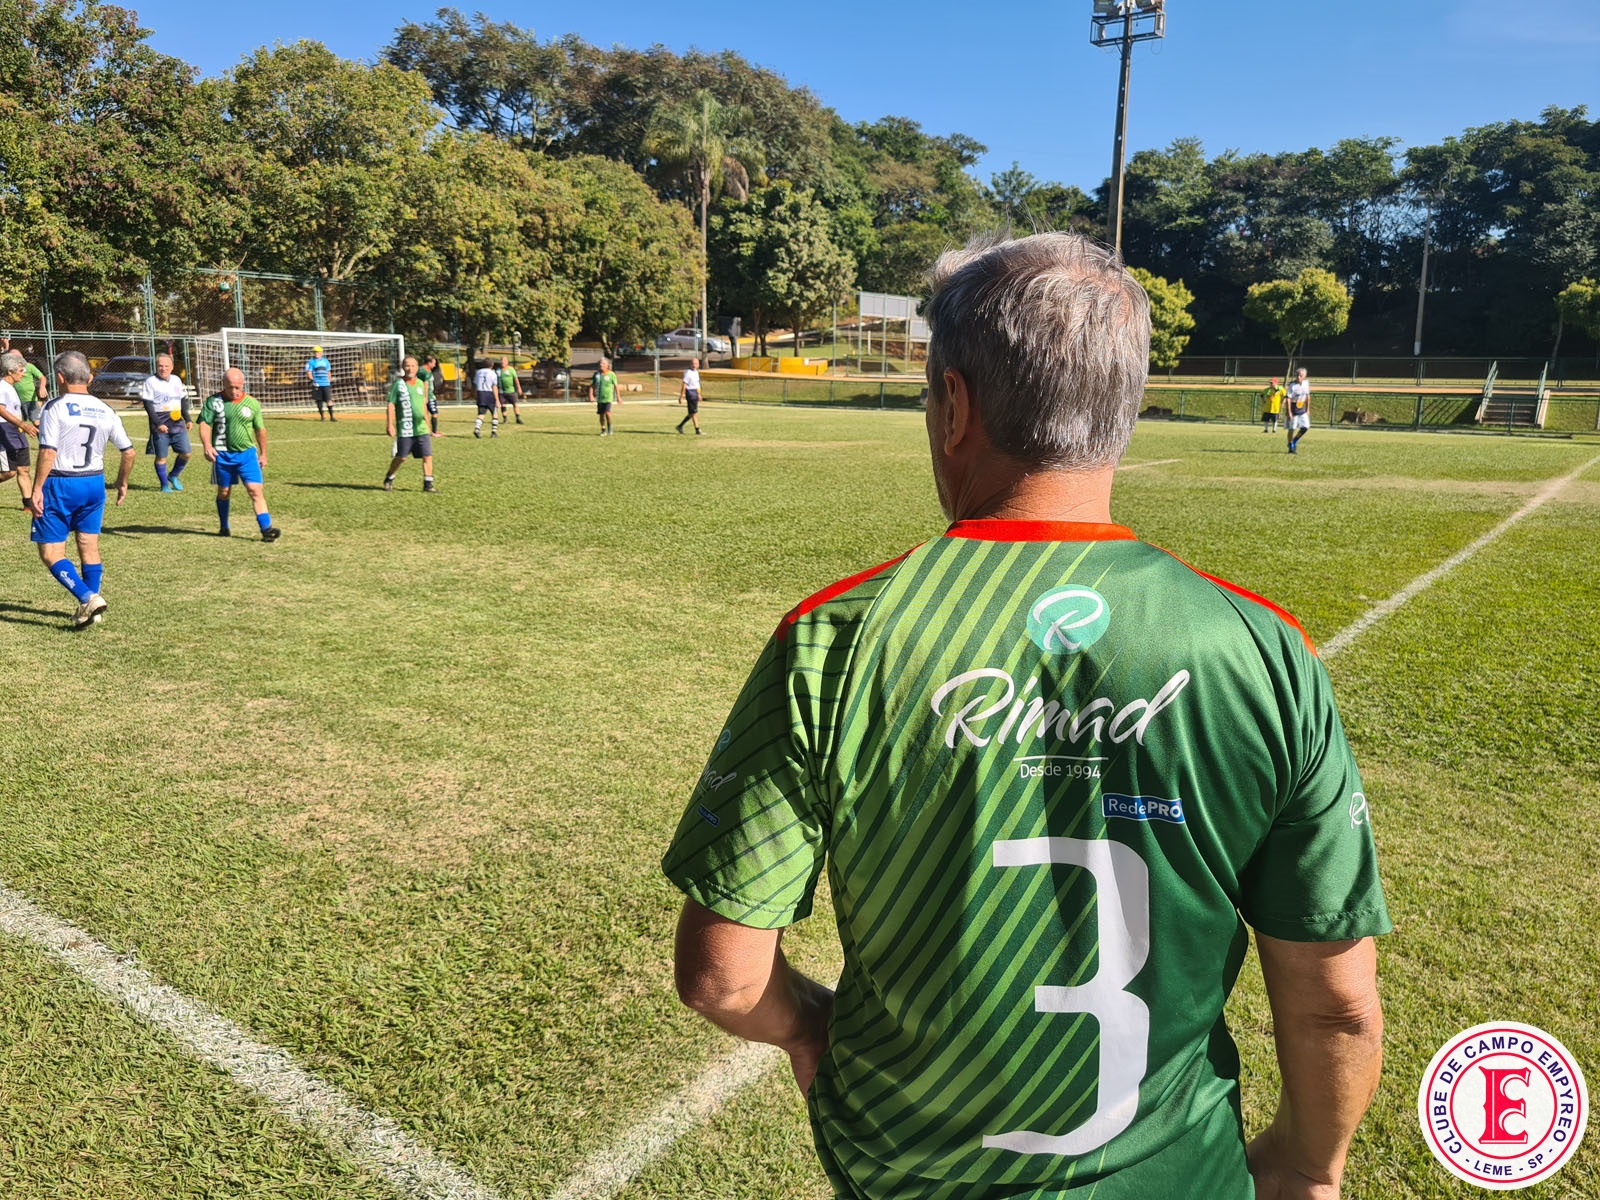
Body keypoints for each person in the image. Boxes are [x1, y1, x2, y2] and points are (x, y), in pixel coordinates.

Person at [663, 232, 1388, 1200]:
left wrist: (807, 1031)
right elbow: (1337, 1004)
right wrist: (1307, 1165)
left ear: (955, 405)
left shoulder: (834, 638)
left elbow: (722, 975)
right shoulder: (1264, 650)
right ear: (1121, 410)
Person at [28, 351, 135, 628]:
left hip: (61, 483)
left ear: (60, 377)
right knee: (88, 545)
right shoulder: (105, 409)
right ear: (89, 377)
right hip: (94, 483)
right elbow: (129, 452)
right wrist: (122, 482)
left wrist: (36, 488)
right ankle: (93, 611)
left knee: (51, 553)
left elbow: (48, 451)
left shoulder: (54, 407)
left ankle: (88, 598)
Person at [198, 367, 281, 541]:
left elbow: (260, 430)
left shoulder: (252, 403)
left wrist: (263, 454)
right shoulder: (213, 402)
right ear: (223, 384)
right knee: (224, 492)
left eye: (237, 387)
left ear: (243, 384)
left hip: (247, 455)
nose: (234, 391)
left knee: (255, 490)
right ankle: (224, 526)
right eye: (230, 387)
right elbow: (205, 424)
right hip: (222, 455)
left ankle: (266, 529)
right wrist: (207, 445)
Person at [140, 352, 193, 491]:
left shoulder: (176, 380)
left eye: (166, 366)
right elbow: (148, 405)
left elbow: (182, 400)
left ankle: (173, 476)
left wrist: (188, 419)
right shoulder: (150, 382)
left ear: (172, 367)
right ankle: (164, 485)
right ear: (156, 366)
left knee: (186, 453)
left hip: (177, 423)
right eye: (160, 366)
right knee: (161, 457)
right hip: (160, 423)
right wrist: (158, 424)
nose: (163, 368)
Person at [383, 356, 437, 493]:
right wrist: (390, 424)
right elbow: (391, 404)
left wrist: (427, 422)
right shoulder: (398, 384)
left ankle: (428, 484)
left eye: (413, 366)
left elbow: (423, 404)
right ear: (403, 367)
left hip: (421, 427)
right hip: (406, 428)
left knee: (427, 455)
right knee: (401, 457)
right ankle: (389, 477)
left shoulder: (420, 383)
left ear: (417, 368)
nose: (410, 368)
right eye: (407, 365)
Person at [0, 351, 38, 509]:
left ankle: (28, 505)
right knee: (9, 471)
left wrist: (21, 426)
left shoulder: (12, 387)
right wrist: (23, 424)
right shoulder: (2, 387)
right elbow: (1, 410)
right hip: (4, 430)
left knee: (24, 468)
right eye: (21, 370)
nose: (24, 373)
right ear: (10, 372)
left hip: (17, 431)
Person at [590, 357, 620, 436]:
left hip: (608, 398)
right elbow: (592, 386)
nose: (601, 365)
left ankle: (609, 426)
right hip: (599, 398)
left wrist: (618, 397)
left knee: (607, 413)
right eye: (600, 363)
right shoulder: (596, 375)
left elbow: (616, 386)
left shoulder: (611, 374)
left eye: (603, 363)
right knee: (601, 415)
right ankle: (603, 429)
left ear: (607, 365)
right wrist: (591, 395)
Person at [1286, 367, 1312, 453]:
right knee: (1292, 428)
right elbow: (1288, 398)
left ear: (1304, 376)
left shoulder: (1306, 383)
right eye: (1297, 375)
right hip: (1294, 409)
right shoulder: (1292, 385)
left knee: (1305, 427)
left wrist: (1308, 409)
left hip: (1302, 409)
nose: (1298, 377)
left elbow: (1308, 396)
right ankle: (1291, 447)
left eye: (1300, 375)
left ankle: (1294, 441)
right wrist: (1289, 412)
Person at [305, 345, 335, 421]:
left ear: (321, 353)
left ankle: (332, 417)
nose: (316, 353)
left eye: (317, 352)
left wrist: (329, 380)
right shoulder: (311, 362)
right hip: (317, 384)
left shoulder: (325, 361)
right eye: (315, 352)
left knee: (329, 399)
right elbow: (309, 372)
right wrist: (312, 380)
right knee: (319, 401)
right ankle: (322, 417)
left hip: (326, 384)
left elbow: (328, 371)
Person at [675, 357, 703, 435]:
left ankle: (680, 426)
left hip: (695, 392)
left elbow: (697, 384)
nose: (694, 365)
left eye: (696, 364)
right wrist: (682, 396)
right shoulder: (688, 373)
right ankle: (697, 429)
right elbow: (684, 384)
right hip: (690, 393)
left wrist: (699, 394)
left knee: (692, 413)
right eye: (693, 364)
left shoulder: (696, 372)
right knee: (694, 412)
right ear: (690, 364)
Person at [472, 360, 500, 438]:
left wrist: (475, 394)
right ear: (492, 365)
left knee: (481, 413)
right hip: (489, 393)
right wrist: (497, 400)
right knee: (494, 413)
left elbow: (475, 384)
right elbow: (494, 386)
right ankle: (493, 432)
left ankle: (477, 429)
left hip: (480, 393)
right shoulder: (492, 373)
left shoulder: (478, 372)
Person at [419, 354, 442, 436]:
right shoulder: (426, 371)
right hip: (429, 396)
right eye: (433, 363)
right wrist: (426, 396)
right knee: (434, 413)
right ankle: (434, 432)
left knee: (424, 413)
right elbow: (425, 384)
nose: (434, 365)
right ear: (429, 363)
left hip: (423, 395)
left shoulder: (420, 370)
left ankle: (426, 430)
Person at [497, 358, 524, 425]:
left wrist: (519, 388)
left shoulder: (511, 369)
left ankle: (518, 418)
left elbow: (516, 379)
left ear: (507, 362)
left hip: (511, 390)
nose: (502, 362)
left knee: (515, 404)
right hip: (502, 391)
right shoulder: (498, 371)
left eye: (504, 361)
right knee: (503, 405)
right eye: (501, 361)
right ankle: (505, 419)